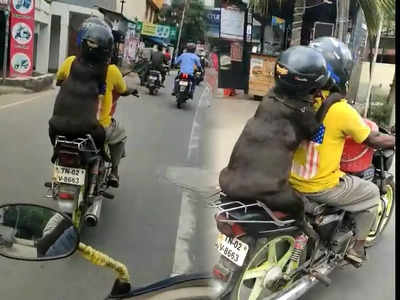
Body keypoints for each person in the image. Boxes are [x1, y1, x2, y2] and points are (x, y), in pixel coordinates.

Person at [289, 37, 396, 264]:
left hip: (287, 177)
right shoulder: (339, 109)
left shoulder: (296, 99)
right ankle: (356, 248)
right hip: (317, 186)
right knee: (371, 194)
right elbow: (373, 139)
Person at [49, 17, 137, 188]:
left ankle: (58, 156)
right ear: (108, 50)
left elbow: (59, 80)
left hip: (57, 126)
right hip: (94, 129)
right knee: (120, 135)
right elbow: (122, 89)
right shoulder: (111, 71)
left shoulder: (69, 62)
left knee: (59, 138)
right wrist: (130, 91)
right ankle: (114, 171)